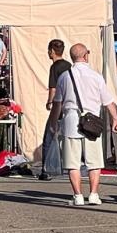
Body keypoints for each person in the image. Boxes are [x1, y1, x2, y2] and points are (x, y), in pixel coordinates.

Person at [54, 43, 117, 206]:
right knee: (94, 162)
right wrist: (115, 119)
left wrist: (53, 123)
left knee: (72, 163)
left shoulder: (64, 76)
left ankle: (77, 195)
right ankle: (93, 194)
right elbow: (108, 101)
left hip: (71, 121)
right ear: (86, 55)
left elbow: (57, 103)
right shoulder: (96, 76)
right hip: (92, 123)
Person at [40, 39, 68, 182]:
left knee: (48, 136)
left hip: (58, 105)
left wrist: (49, 102)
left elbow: (53, 88)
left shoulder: (55, 67)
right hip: (69, 106)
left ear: (52, 51)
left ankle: (46, 170)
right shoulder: (69, 66)